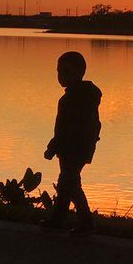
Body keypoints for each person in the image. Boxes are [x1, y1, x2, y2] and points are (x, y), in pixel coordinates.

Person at [42, 51, 101, 234]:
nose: (61, 77)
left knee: (69, 183)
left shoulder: (76, 99)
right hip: (73, 147)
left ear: (80, 72)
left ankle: (85, 222)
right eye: (59, 72)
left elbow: (69, 128)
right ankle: (60, 220)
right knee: (68, 183)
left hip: (75, 148)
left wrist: (53, 146)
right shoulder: (77, 97)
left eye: (66, 72)